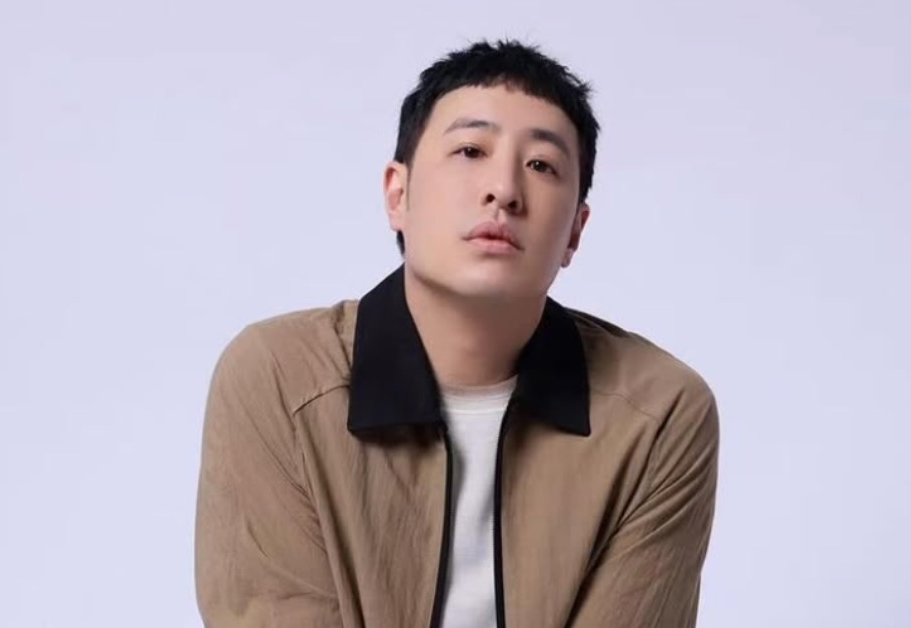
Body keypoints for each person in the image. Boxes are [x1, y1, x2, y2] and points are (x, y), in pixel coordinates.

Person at [194, 39, 720, 628]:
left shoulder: (657, 414)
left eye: (541, 165)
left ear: (575, 230)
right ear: (398, 194)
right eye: (471, 150)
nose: (504, 190)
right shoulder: (280, 379)